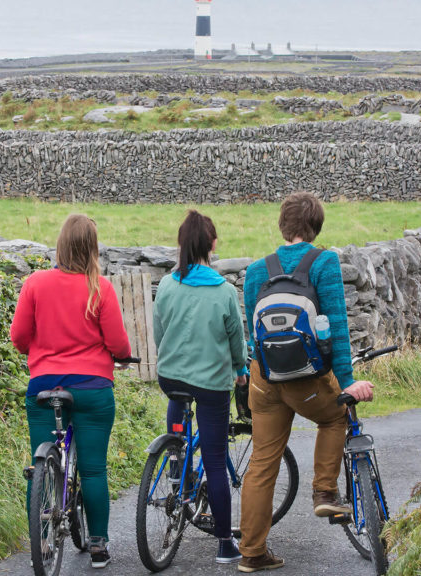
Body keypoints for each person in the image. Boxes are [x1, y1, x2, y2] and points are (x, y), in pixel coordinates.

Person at [237, 192, 375, 573]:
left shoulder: (256, 270)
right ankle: (325, 491)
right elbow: (338, 328)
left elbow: (253, 336)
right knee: (335, 416)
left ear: (283, 224)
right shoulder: (324, 262)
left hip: (264, 378)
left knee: (262, 463)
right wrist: (346, 383)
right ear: (316, 226)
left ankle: (251, 553)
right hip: (307, 379)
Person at [9, 213, 131, 570]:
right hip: (92, 389)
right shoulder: (99, 287)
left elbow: (19, 337)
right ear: (93, 248)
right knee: (92, 470)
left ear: (60, 244)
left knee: (40, 463)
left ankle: (43, 537)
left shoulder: (35, 283)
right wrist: (122, 357)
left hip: (45, 387)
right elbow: (118, 343)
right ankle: (98, 545)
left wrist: (39, 350)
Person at [153, 210, 249, 565]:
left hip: (171, 377)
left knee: (179, 399)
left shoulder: (167, 284)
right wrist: (240, 370)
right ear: (212, 244)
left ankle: (175, 457)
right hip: (210, 385)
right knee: (215, 459)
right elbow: (236, 341)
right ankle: (224, 543)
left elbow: (160, 333)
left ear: (181, 244)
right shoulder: (223, 291)